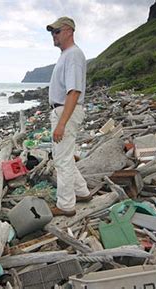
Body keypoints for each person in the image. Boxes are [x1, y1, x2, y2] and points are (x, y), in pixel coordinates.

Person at [46, 17, 92, 217]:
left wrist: (61, 124)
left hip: (65, 111)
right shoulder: (67, 55)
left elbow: (74, 91)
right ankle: (82, 192)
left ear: (68, 31)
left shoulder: (73, 55)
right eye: (52, 32)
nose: (53, 36)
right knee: (65, 157)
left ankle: (66, 205)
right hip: (63, 110)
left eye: (56, 31)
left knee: (62, 161)